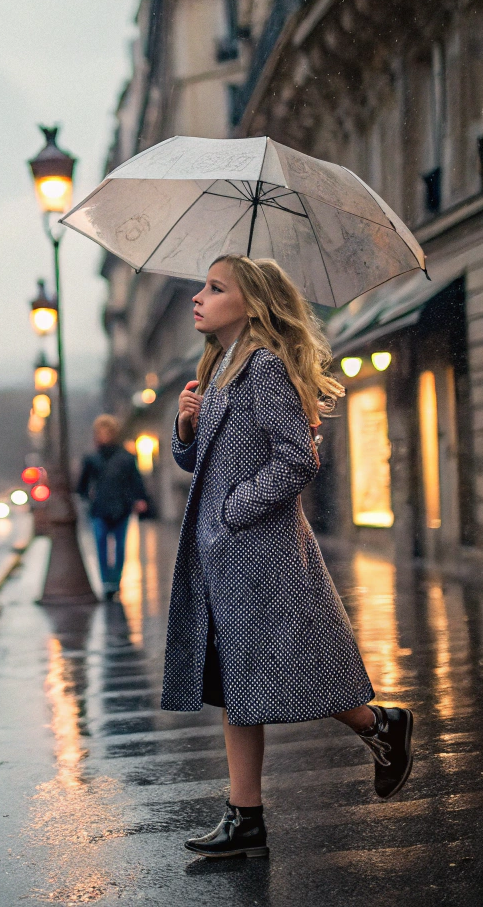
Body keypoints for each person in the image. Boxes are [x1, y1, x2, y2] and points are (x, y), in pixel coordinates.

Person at [166, 254, 413, 859]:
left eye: (215, 288)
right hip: (226, 561)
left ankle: (380, 724)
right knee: (237, 688)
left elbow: (298, 459)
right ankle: (244, 815)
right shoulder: (220, 370)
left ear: (250, 304)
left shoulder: (266, 370)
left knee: (298, 672)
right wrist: (184, 427)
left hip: (262, 557)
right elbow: (197, 466)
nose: (198, 297)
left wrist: (233, 508)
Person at [76, 414, 149, 600]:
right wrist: (88, 497)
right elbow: (82, 486)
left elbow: (135, 480)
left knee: (119, 547)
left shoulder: (126, 457)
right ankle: (106, 582)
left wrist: (139, 499)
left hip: (121, 507)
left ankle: (115, 581)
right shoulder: (91, 459)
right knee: (101, 545)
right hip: (99, 508)